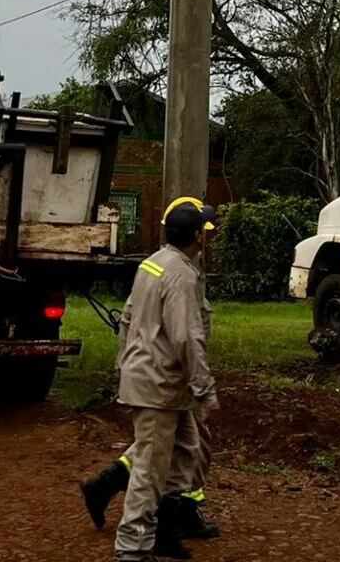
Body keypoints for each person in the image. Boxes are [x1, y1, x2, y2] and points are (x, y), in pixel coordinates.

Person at [82, 196, 219, 561]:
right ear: (196, 236)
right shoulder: (181, 275)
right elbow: (186, 337)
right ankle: (132, 547)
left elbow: (127, 318)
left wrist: (124, 364)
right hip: (159, 386)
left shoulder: (152, 265)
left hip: (153, 380)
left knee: (186, 452)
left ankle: (162, 531)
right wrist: (205, 389)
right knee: (149, 468)